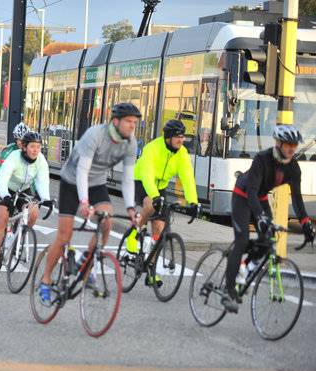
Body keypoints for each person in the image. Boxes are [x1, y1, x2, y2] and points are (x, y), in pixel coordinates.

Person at [38, 102, 141, 305]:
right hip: (72, 181)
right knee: (64, 237)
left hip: (96, 184)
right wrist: (84, 202)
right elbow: (82, 171)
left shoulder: (130, 143)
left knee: (107, 223)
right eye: (128, 121)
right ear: (115, 121)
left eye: (135, 122)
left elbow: (128, 178)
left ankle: (85, 260)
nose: (132, 126)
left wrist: (130, 208)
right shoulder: (95, 135)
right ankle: (46, 280)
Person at [221, 124, 316, 313]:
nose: (292, 148)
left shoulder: (293, 167)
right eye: (288, 144)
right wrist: (261, 217)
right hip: (243, 195)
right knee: (242, 241)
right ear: (278, 143)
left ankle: (245, 268)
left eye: (295, 145)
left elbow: (296, 198)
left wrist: (306, 223)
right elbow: (251, 192)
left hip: (261, 198)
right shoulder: (262, 159)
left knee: (267, 240)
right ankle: (228, 291)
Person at [126, 119, 199, 262]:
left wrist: (193, 202)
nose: (181, 140)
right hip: (140, 181)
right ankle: (132, 236)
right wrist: (154, 197)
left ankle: (151, 271)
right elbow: (147, 175)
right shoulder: (152, 148)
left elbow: (188, 179)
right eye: (177, 137)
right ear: (168, 138)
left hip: (160, 187)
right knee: (150, 205)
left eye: (182, 136)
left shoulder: (182, 154)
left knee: (159, 232)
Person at [0, 131, 52, 271]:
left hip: (24, 190)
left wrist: (45, 199)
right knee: (2, 219)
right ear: (24, 147)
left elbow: (42, 182)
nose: (36, 150)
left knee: (33, 212)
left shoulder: (41, 161)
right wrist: (5, 195)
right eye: (32, 146)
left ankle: (18, 237)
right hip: (6, 188)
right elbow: (2, 178)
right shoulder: (14, 157)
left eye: (38, 147)